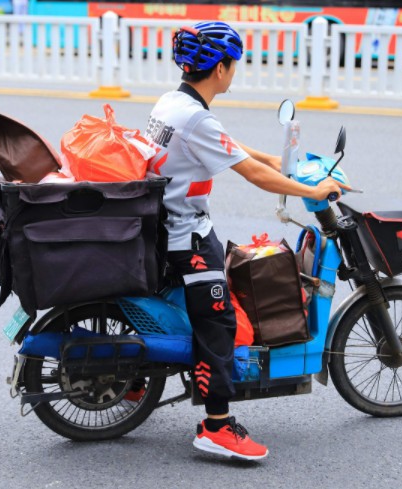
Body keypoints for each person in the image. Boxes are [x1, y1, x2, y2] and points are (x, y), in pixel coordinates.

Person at [143, 21, 349, 461]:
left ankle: (138, 380)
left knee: (214, 303)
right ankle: (216, 426)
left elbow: (228, 146)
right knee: (219, 322)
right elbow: (251, 174)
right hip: (186, 237)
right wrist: (314, 191)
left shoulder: (174, 102)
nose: (234, 70)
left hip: (167, 226)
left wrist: (275, 158)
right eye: (234, 63)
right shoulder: (197, 116)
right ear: (221, 67)